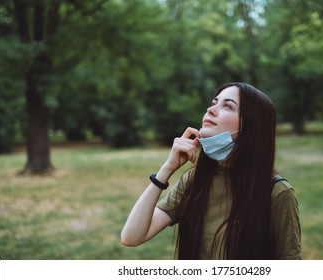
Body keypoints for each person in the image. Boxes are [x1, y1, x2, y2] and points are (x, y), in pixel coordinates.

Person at [121, 82, 302, 260]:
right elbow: (131, 237)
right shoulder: (193, 181)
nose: (211, 109)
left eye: (228, 106)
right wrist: (166, 169)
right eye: (214, 102)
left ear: (251, 127)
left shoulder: (277, 194)